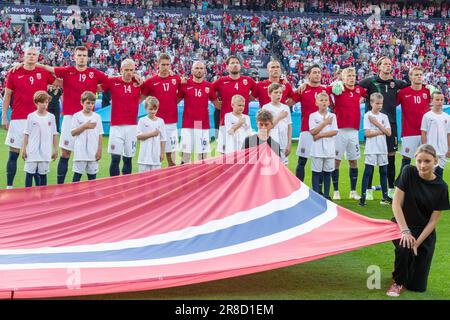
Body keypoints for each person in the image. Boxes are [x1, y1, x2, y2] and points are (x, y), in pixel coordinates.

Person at [36, 46, 109, 184]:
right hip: (70, 117)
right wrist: (30, 63)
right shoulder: (68, 71)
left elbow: (107, 82)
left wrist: (96, 88)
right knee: (65, 153)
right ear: (74, 57)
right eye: (79, 55)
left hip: (89, 117)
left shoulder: (94, 73)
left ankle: (88, 189)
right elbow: (49, 69)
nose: (82, 58)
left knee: (89, 154)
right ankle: (61, 186)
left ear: (88, 57)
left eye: (84, 55)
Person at [387, 144, 449, 297]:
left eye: (427, 161)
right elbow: (396, 204)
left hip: (424, 232)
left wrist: (417, 242)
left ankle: (404, 269)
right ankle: (397, 282)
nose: (422, 165)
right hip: (402, 224)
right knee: (405, 245)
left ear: (436, 161)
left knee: (417, 286)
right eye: (419, 160)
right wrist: (405, 231)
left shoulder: (441, 187)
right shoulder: (408, 172)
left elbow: (433, 222)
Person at [2, 47, 58, 189]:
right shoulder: (14, 72)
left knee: (37, 155)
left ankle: (39, 190)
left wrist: (45, 66)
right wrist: (4, 117)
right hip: (18, 118)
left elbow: (59, 82)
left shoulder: (43, 72)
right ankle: (9, 186)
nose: (31, 57)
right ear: (23, 56)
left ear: (38, 57)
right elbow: (7, 95)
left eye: (34, 54)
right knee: (13, 153)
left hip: (39, 120)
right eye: (29, 54)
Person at [328, 67, 366, 200]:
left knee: (353, 161)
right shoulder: (338, 89)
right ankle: (336, 191)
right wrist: (334, 85)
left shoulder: (358, 89)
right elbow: (325, 91)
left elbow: (370, 93)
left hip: (354, 131)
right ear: (343, 78)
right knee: (336, 161)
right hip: (340, 130)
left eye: (353, 75)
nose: (352, 78)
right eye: (349, 75)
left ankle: (353, 191)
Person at [99, 59, 142, 177]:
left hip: (132, 126)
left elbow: (147, 92)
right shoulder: (112, 81)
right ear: (121, 70)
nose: (129, 73)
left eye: (131, 70)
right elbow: (99, 88)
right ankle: (114, 187)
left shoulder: (138, 83)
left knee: (128, 159)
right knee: (115, 158)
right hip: (116, 126)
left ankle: (126, 186)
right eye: (126, 70)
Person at [141, 53, 181, 167]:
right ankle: (153, 178)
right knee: (154, 153)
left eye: (168, 64)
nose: (165, 67)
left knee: (172, 155)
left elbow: (181, 94)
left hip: (171, 122)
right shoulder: (150, 81)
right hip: (155, 122)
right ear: (158, 65)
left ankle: (171, 181)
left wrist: (173, 102)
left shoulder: (176, 79)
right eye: (163, 64)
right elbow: (141, 98)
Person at [177, 61, 219, 163]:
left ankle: (202, 179)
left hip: (202, 124)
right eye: (196, 68)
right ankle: (184, 178)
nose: (199, 70)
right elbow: (174, 101)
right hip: (188, 124)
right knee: (186, 156)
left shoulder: (209, 86)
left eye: (201, 68)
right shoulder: (185, 84)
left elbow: (217, 105)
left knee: (203, 156)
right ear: (192, 70)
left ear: (204, 70)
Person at [213, 55, 256, 154]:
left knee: (243, 156)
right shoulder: (221, 81)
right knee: (223, 156)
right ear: (227, 67)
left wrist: (248, 99)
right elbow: (209, 89)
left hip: (243, 124)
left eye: (237, 62)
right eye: (232, 63)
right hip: (225, 124)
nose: (235, 65)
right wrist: (215, 102)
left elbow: (257, 90)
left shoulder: (248, 80)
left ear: (240, 66)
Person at [292, 64, 328, 181]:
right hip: (306, 131)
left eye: (319, 72)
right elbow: (288, 102)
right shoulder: (303, 89)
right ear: (308, 75)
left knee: (321, 162)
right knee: (302, 161)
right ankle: (299, 189)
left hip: (323, 132)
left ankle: (319, 192)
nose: (318, 74)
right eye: (314, 72)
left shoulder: (326, 90)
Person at [397, 67, 432, 174]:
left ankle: (424, 185)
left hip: (426, 133)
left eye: (420, 74)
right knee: (406, 160)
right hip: (409, 132)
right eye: (416, 75)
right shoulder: (403, 92)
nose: (419, 77)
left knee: (427, 159)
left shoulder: (428, 91)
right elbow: (390, 104)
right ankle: (402, 185)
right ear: (410, 77)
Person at [359, 93, 392, 206]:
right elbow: (367, 133)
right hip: (371, 148)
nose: (379, 106)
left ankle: (385, 196)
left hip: (382, 148)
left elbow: (389, 133)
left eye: (381, 103)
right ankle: (362, 198)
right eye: (377, 103)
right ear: (371, 103)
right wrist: (381, 130)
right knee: (368, 171)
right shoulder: (368, 116)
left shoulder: (384, 117)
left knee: (383, 172)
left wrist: (377, 124)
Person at [22, 91, 58, 187]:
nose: (44, 105)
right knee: (29, 174)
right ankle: (27, 197)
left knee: (43, 175)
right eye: (42, 102)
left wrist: (56, 149)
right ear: (36, 103)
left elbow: (54, 134)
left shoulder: (51, 117)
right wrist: (24, 149)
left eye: (46, 102)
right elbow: (26, 134)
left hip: (46, 151)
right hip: (32, 151)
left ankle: (42, 199)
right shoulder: (31, 116)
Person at [308, 92, 338, 200]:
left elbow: (334, 132)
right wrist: (325, 123)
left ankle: (326, 195)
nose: (324, 102)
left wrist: (320, 135)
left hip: (329, 149)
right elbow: (312, 131)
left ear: (329, 102)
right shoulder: (313, 116)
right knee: (316, 172)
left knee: (327, 172)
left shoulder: (333, 116)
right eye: (321, 100)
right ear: (316, 102)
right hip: (317, 149)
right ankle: (316, 195)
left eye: (326, 100)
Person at [70, 91, 104, 182]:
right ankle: (74, 195)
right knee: (77, 177)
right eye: (88, 103)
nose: (90, 105)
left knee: (92, 179)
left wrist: (99, 150)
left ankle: (92, 196)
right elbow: (73, 133)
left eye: (92, 103)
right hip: (80, 153)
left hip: (93, 153)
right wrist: (85, 126)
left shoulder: (97, 117)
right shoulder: (76, 116)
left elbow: (100, 134)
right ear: (82, 103)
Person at [420, 91, 450, 178]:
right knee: (429, 175)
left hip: (443, 151)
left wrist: (449, 149)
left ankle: (437, 192)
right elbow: (423, 133)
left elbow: (448, 134)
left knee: (440, 175)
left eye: (441, 100)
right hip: (431, 151)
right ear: (432, 101)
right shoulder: (427, 116)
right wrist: (425, 149)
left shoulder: (447, 117)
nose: (439, 102)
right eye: (437, 99)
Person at [262, 83, 292, 165]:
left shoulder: (286, 108)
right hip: (271, 143)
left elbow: (289, 126)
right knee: (271, 168)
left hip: (283, 143)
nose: (278, 94)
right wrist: (279, 117)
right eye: (275, 92)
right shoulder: (266, 108)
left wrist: (289, 143)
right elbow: (265, 128)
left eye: (280, 93)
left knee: (284, 168)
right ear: (269, 94)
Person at [137, 96, 167, 172]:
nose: (153, 111)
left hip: (156, 157)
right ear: (146, 108)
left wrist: (162, 153)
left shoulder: (161, 121)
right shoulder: (142, 120)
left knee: (155, 181)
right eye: (150, 109)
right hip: (144, 158)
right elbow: (138, 136)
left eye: (155, 109)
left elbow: (163, 139)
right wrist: (152, 134)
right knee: (143, 180)